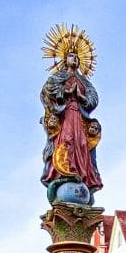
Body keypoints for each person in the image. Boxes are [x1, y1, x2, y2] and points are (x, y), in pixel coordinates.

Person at [40, 46, 103, 197]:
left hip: (80, 117)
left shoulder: (84, 82)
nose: (75, 58)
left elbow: (93, 98)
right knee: (67, 140)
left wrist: (82, 97)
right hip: (66, 114)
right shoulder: (58, 77)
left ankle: (81, 173)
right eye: (71, 56)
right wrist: (65, 93)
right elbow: (48, 88)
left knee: (81, 145)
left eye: (77, 56)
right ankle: (65, 171)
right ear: (65, 59)